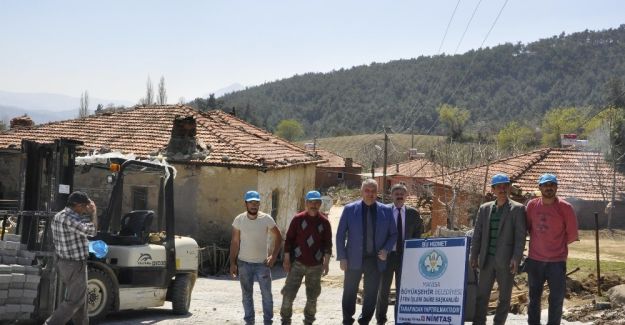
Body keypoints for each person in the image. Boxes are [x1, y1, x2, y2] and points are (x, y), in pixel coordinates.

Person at [336, 179, 398, 325]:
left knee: (371, 293)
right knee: (350, 291)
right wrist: (342, 257)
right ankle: (347, 319)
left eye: (373, 191)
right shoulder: (350, 209)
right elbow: (340, 235)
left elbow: (393, 234)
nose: (370, 194)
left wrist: (386, 249)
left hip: (375, 260)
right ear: (361, 191)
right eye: (367, 190)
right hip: (353, 259)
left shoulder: (386, 210)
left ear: (377, 193)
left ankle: (364, 320)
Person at [470, 173, 526, 325]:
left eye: (505, 186)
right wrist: (473, 255)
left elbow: (520, 238)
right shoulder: (485, 209)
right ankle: (479, 322)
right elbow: (477, 235)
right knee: (482, 296)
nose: (502, 189)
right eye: (499, 187)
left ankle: (498, 322)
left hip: (506, 261)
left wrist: (516, 257)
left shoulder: (518, 209)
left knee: (504, 297)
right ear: (493, 189)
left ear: (509, 188)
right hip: (486, 260)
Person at [525, 173, 579, 325]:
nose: (549, 187)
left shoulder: (566, 208)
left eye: (552, 184)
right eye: (546, 185)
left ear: (556, 187)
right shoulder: (531, 206)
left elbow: (572, 234)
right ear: (540, 187)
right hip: (535, 260)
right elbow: (528, 228)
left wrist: (556, 245)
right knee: (534, 298)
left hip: (556, 261)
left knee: (556, 298)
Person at [229, 190, 283, 325]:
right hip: (244, 264)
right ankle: (249, 321)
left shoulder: (266, 219)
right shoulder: (239, 220)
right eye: (251, 202)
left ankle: (268, 321)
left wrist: (274, 256)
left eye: (256, 202)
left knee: (266, 295)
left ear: (259, 204)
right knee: (247, 295)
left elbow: (279, 237)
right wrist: (233, 263)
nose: (254, 205)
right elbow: (235, 242)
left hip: (262, 264)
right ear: (245, 204)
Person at [45, 191, 98, 325]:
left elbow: (81, 228)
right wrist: (93, 213)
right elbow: (92, 231)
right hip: (74, 265)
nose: (86, 209)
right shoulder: (69, 218)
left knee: (82, 300)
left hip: (67, 264)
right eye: (85, 206)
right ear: (77, 205)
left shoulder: (60, 216)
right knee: (74, 300)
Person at [280, 190, 333, 325]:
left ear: (320, 204)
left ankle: (309, 321)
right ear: (306, 203)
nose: (313, 205)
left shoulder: (325, 222)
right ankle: (285, 321)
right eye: (311, 202)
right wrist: (286, 260)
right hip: (297, 263)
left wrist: (326, 263)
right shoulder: (298, 219)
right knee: (288, 294)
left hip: (316, 266)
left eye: (316, 202)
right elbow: (289, 241)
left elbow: (328, 245)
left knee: (312, 298)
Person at [375, 183, 423, 325]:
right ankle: (381, 320)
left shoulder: (413, 213)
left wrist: (414, 253)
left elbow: (418, 234)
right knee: (383, 290)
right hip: (387, 257)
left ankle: (400, 319)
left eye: (402, 193)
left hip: (405, 258)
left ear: (406, 196)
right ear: (391, 195)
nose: (399, 196)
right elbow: (377, 234)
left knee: (403, 291)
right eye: (396, 193)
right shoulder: (383, 212)